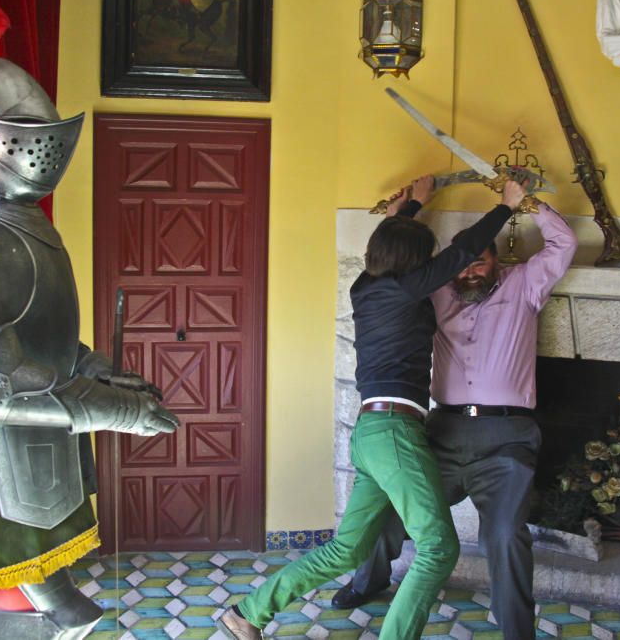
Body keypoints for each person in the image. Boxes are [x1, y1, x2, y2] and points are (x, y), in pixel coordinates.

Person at [0, 2, 179, 640]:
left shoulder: (29, 228)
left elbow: (43, 339)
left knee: (65, 615)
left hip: (43, 436)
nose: (41, 142)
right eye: (20, 127)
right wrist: (110, 410)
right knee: (37, 615)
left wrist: (102, 373)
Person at [217, 176, 525, 640]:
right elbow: (461, 254)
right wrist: (507, 207)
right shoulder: (404, 289)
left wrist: (409, 208)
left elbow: (398, 249)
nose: (430, 269)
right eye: (423, 261)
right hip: (394, 431)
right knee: (438, 547)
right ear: (413, 265)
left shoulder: (365, 286)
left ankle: (249, 612)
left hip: (372, 433)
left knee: (346, 549)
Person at [331, 192, 578, 640]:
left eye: (478, 261)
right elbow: (387, 267)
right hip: (442, 432)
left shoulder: (524, 284)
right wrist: (404, 212)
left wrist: (530, 205)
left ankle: (518, 630)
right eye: (461, 264)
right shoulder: (437, 291)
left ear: (496, 262)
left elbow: (563, 245)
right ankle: (368, 581)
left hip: (506, 441)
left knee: (504, 535)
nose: (468, 270)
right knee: (389, 510)